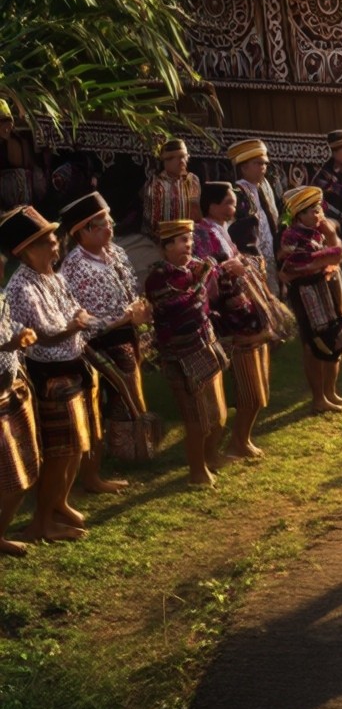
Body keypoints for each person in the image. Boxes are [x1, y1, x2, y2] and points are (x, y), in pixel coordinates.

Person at [4, 206, 95, 541]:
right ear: (27, 250)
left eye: (55, 240)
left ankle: (59, 503)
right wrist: (75, 324)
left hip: (70, 367)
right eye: (49, 242)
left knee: (75, 446)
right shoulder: (21, 288)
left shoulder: (52, 276)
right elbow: (44, 333)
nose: (56, 246)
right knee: (59, 452)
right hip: (48, 375)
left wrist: (77, 317)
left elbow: (72, 306)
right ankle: (41, 521)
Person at [58, 192, 150, 480]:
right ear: (83, 232)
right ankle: (119, 452)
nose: (110, 228)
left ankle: (135, 450)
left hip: (128, 330)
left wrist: (139, 310)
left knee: (133, 385)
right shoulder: (75, 266)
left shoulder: (115, 252)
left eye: (110, 222)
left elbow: (130, 288)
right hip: (99, 341)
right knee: (116, 393)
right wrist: (125, 317)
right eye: (102, 224)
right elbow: (86, 321)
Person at [144, 220, 231, 488]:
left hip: (206, 344)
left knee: (219, 413)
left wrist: (209, 277)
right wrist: (201, 283)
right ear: (166, 247)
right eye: (182, 240)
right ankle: (197, 471)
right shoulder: (159, 279)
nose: (189, 245)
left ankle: (211, 457)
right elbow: (183, 307)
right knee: (196, 419)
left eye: (191, 239)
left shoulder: (194, 268)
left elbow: (208, 300)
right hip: (180, 355)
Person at [192, 183, 274, 459]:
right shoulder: (201, 233)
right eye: (228, 202)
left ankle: (242, 439)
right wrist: (233, 268)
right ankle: (233, 443)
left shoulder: (222, 231)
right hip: (230, 317)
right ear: (212, 206)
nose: (233, 207)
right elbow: (204, 272)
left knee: (259, 381)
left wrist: (244, 264)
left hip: (245, 311)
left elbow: (236, 260)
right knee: (249, 383)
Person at [279, 186, 342, 415]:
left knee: (333, 336)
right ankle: (318, 397)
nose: (317, 215)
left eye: (319, 209)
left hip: (324, 288)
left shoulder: (318, 231)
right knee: (313, 342)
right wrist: (329, 246)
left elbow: (335, 255)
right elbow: (298, 264)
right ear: (299, 215)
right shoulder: (291, 236)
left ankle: (330, 392)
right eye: (311, 211)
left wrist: (328, 245)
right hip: (305, 293)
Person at [0, 253, 42, 555]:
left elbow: (11, 328)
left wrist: (20, 339)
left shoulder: (1, 297)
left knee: (25, 468)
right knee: (9, 476)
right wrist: (10, 344)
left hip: (11, 388)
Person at [229, 138, 280, 262]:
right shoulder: (236, 192)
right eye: (258, 163)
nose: (263, 167)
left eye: (264, 164)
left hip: (273, 257)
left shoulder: (265, 187)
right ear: (244, 168)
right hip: (250, 259)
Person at [142, 138, 201, 239]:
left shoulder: (192, 181)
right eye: (177, 158)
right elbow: (152, 222)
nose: (182, 161)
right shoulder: (155, 185)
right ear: (166, 161)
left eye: (184, 157)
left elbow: (196, 214)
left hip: (189, 238)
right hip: (160, 240)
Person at [0, 100, 41, 213]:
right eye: (3, 122)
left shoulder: (20, 141)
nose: (6, 127)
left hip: (20, 196)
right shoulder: (18, 141)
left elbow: (28, 165)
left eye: (7, 121)